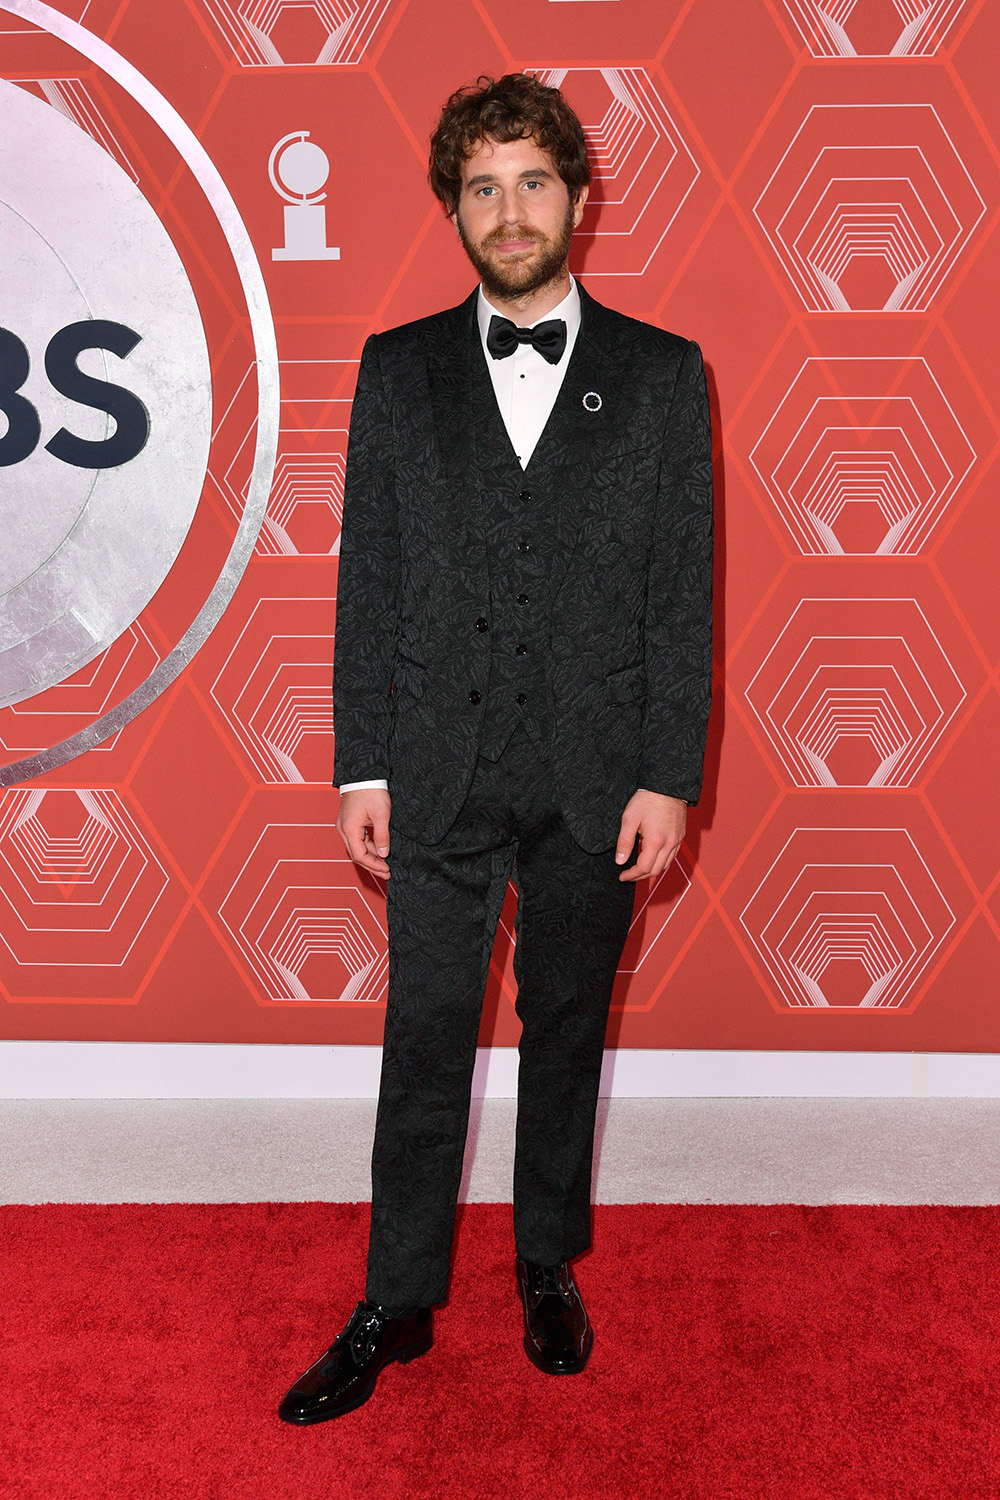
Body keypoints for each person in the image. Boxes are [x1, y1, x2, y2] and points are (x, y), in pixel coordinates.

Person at [279, 72, 713, 1424]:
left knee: (568, 1028)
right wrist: (362, 763)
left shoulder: (659, 375)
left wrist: (667, 775)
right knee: (424, 1036)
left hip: (597, 773)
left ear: (577, 202)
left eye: (533, 182)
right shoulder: (397, 370)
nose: (508, 210)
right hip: (434, 768)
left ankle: (545, 1263)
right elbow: (370, 581)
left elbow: (681, 588)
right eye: (482, 187)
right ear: (455, 210)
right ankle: (394, 1301)